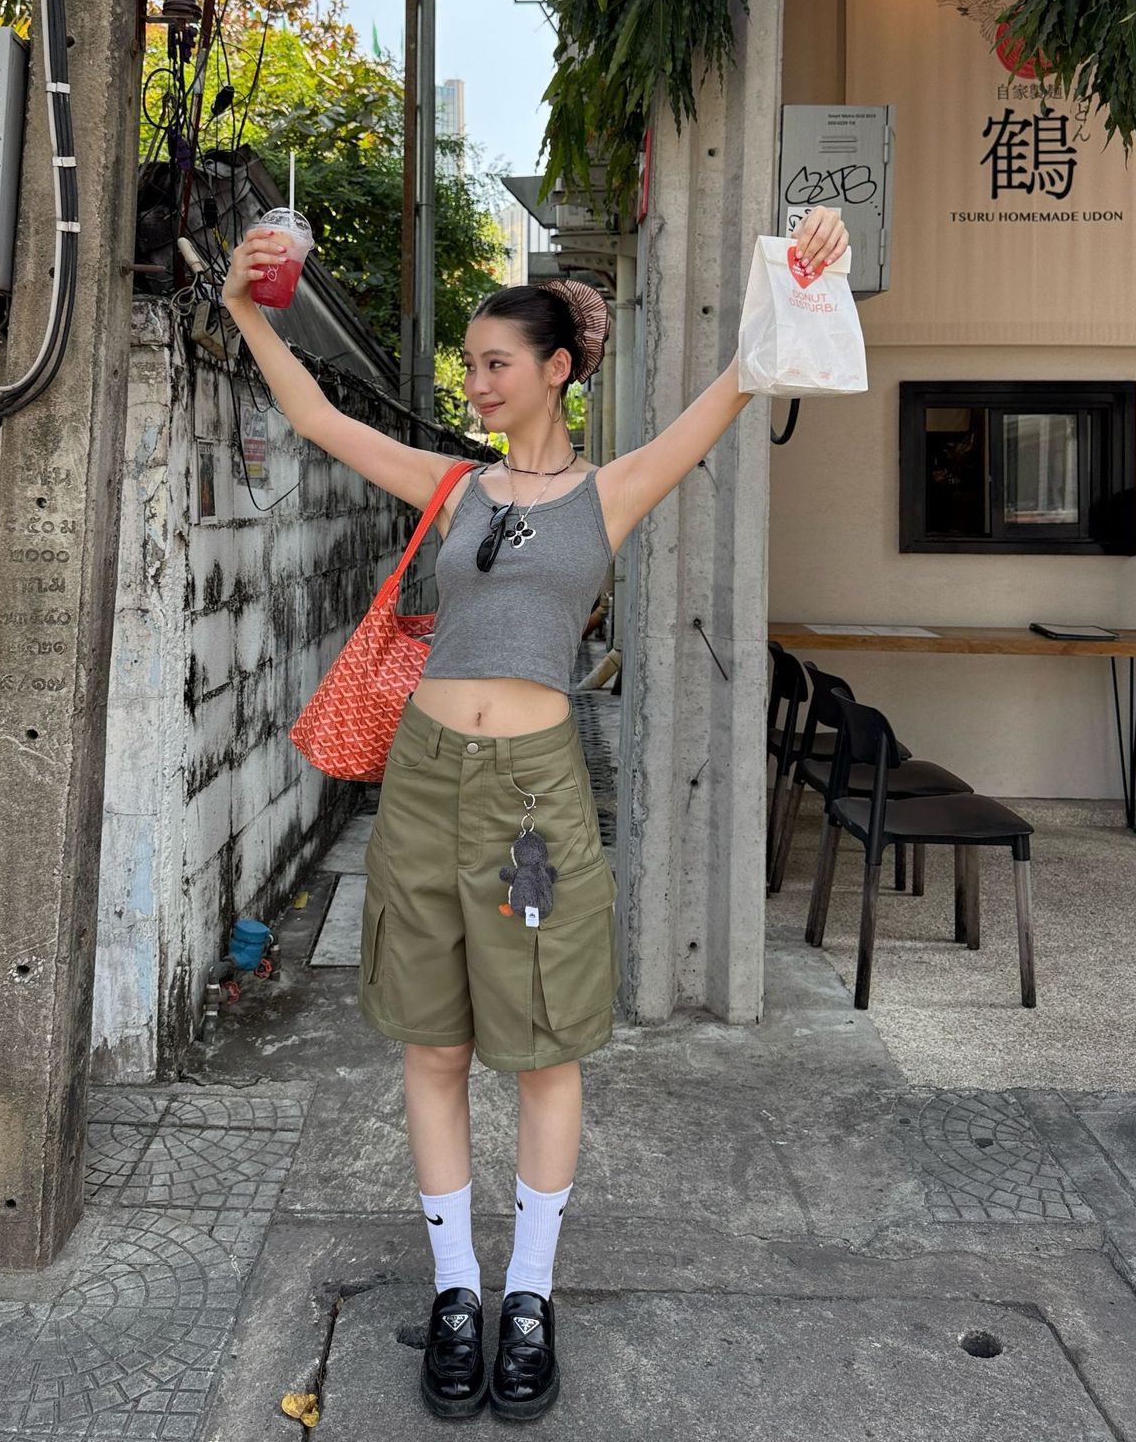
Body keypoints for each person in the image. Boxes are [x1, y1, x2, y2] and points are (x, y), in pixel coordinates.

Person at [220, 205, 849, 1422]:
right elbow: (321, 419)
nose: (477, 380)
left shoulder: (610, 491)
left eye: (496, 360)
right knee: (435, 1043)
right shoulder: (454, 486)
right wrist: (248, 306)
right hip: (424, 781)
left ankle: (530, 1294)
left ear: (558, 367)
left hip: (534, 797)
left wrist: (803, 251)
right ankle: (458, 1285)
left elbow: (738, 381)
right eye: (470, 363)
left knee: (546, 1044)